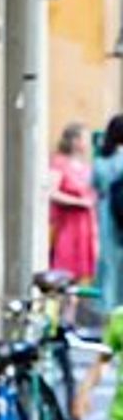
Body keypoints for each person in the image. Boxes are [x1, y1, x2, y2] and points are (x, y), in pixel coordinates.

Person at [49, 121, 98, 285]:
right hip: (67, 226)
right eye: (86, 139)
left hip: (85, 227)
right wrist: (78, 202)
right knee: (63, 272)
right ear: (76, 141)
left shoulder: (85, 166)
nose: (88, 144)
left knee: (80, 277)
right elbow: (52, 192)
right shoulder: (59, 163)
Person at [92, 116, 123, 312]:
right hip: (118, 216)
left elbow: (94, 184)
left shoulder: (101, 161)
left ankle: (109, 310)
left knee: (108, 265)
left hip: (105, 215)